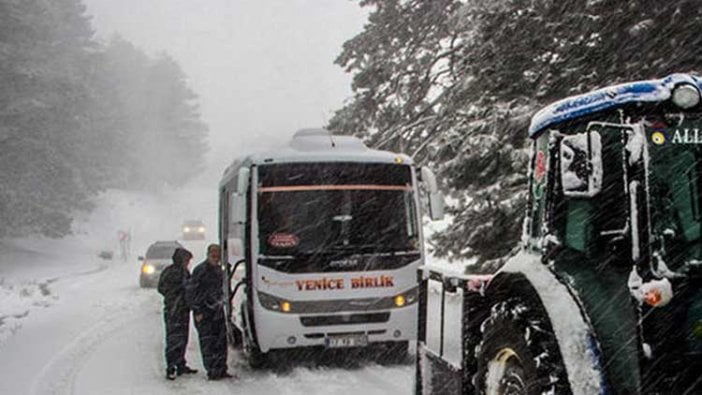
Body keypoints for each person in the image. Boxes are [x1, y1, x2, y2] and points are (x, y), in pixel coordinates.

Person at [186, 244, 232, 380]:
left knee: (221, 342)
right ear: (208, 255)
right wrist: (197, 310)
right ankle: (212, 370)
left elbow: (225, 289)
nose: (216, 259)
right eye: (213, 256)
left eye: (218, 256)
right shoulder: (200, 270)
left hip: (217, 311)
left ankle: (221, 369)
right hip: (204, 312)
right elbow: (191, 292)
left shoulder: (221, 270)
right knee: (208, 342)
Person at [157, 247, 198, 380]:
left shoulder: (182, 271)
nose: (188, 263)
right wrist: (175, 296)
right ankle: (171, 367)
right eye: (187, 260)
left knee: (182, 338)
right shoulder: (174, 272)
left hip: (181, 310)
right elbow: (162, 288)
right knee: (174, 339)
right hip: (174, 310)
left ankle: (180, 364)